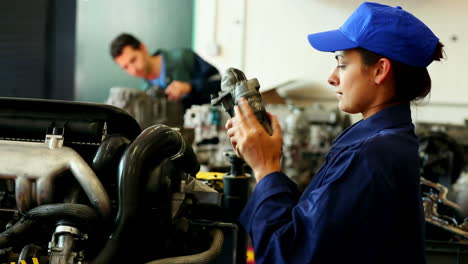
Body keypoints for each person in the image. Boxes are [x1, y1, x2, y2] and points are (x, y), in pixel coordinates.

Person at [226, 2, 444, 263]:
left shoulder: (372, 155)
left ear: (380, 70)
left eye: (341, 64)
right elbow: (316, 221)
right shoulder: (385, 140)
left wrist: (266, 168)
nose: (332, 77)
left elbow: (287, 254)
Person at [110, 33, 221, 110]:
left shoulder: (183, 58)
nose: (133, 70)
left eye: (133, 60)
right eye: (126, 67)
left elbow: (221, 85)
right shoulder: (143, 92)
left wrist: (190, 87)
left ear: (143, 48)